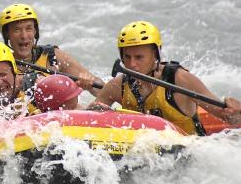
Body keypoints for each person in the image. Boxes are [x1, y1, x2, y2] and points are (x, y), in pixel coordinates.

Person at [91, 21, 241, 135]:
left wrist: (234, 111)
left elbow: (230, 119)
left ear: (156, 54)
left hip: (191, 155)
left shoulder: (181, 80)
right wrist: (98, 109)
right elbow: (89, 116)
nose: (132, 64)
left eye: (139, 57)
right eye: (127, 57)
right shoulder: (118, 85)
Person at [0, 3, 103, 96]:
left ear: (35, 31)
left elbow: (100, 88)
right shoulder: (1, 67)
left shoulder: (53, 57)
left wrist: (89, 83)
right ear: (7, 34)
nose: (24, 35)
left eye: (29, 28)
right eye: (17, 30)